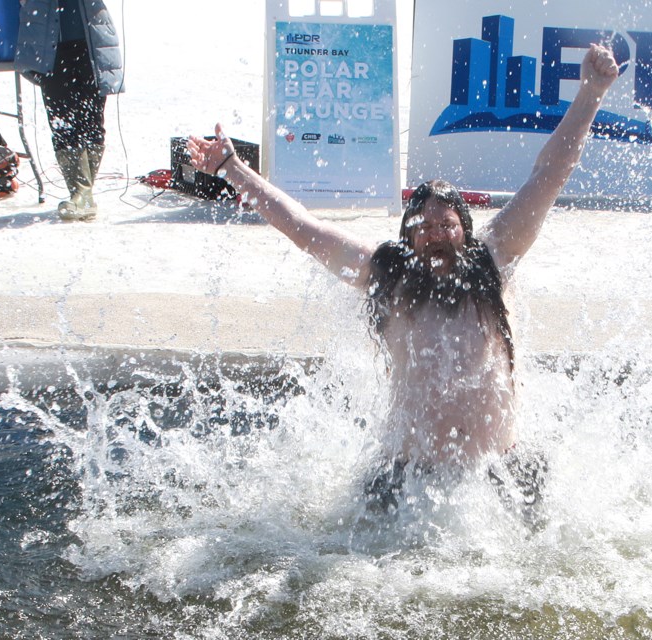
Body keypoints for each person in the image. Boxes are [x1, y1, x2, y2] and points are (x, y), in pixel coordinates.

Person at [188, 45, 619, 511]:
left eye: (446, 227)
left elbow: (549, 175)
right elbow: (303, 229)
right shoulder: (384, 273)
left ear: (465, 233)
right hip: (406, 475)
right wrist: (233, 170)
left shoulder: (495, 260)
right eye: (425, 229)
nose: (436, 238)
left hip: (501, 470)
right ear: (407, 237)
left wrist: (591, 94)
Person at [15, 0, 124, 221]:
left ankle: (83, 193)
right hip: (48, 43)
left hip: (92, 40)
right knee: (61, 121)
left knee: (91, 119)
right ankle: (81, 193)